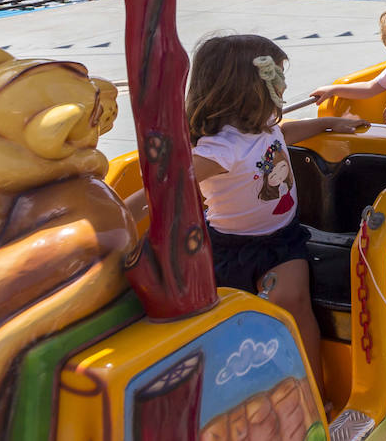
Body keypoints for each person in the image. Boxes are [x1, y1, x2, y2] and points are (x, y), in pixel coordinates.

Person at [124, 34, 364, 387]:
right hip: (230, 248)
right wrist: (124, 213)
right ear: (249, 90)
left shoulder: (263, 127)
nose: (283, 89)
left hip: (282, 239)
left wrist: (326, 124)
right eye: (278, 81)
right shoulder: (222, 148)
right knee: (237, 322)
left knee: (295, 305)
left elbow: (284, 133)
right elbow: (166, 186)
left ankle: (315, 390)